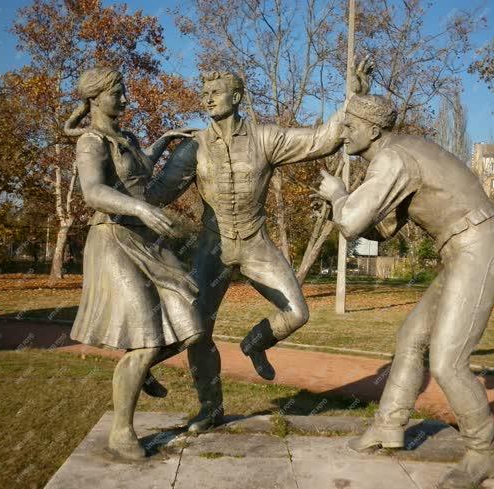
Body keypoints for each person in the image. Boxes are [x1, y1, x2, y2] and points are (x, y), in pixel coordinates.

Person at [146, 59, 374, 433]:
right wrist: (150, 153)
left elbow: (322, 139)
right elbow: (156, 194)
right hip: (211, 249)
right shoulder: (194, 147)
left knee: (297, 313)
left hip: (256, 245)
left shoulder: (265, 138)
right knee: (198, 330)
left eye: (215, 93)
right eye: (204, 93)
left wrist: (354, 97)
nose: (207, 99)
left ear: (237, 97)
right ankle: (210, 408)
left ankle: (254, 343)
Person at [315, 93, 494, 489]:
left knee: (447, 362)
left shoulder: (393, 158)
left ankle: (482, 454)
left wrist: (338, 195)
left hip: (477, 248)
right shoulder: (398, 154)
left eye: (349, 126)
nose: (342, 133)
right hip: (462, 250)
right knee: (410, 337)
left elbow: (352, 223)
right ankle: (388, 428)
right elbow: (383, 228)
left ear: (373, 130)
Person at [64, 67, 204, 460]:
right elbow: (94, 191)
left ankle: (139, 369)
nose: (125, 100)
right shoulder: (90, 141)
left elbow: (139, 173)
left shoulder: (125, 137)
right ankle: (121, 433)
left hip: (143, 239)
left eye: (124, 93)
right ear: (95, 99)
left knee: (191, 323)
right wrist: (139, 209)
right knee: (143, 338)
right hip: (112, 239)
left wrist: (163, 141)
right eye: (118, 94)